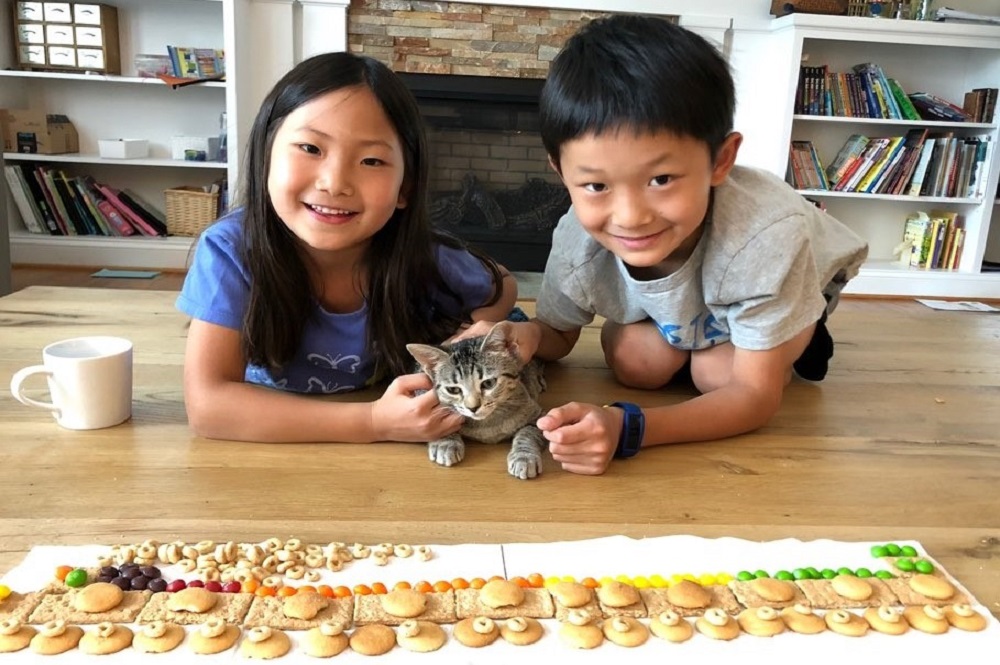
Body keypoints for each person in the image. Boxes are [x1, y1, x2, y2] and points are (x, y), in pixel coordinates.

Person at [470, 15, 868, 475]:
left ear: (721, 160)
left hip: (797, 277)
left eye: (661, 179)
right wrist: (526, 336)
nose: (631, 216)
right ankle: (692, 341)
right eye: (596, 185)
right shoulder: (577, 241)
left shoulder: (766, 235)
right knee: (637, 362)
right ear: (561, 173)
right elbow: (559, 335)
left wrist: (630, 427)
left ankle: (797, 333)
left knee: (717, 375)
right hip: (690, 306)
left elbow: (754, 398)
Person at [176, 52, 517, 443]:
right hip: (270, 449)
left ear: (405, 187)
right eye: (310, 148)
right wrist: (373, 421)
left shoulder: (419, 255)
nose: (335, 183)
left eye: (371, 160)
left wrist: (476, 332)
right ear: (266, 154)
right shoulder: (231, 250)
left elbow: (503, 285)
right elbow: (207, 409)